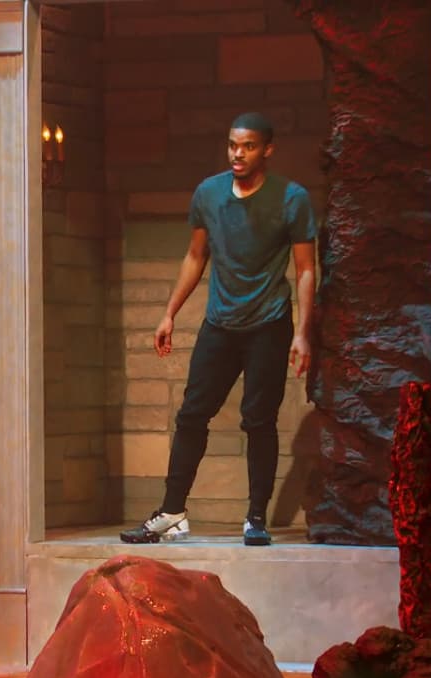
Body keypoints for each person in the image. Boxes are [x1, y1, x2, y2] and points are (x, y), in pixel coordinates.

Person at [120, 112, 317, 547]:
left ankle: (256, 517)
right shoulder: (208, 193)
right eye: (232, 145)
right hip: (220, 323)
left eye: (248, 146)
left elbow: (306, 269)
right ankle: (172, 513)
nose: (237, 154)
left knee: (258, 420)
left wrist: (303, 333)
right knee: (192, 415)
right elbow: (196, 256)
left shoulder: (292, 198)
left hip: (269, 323)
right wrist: (169, 313)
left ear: (267, 149)